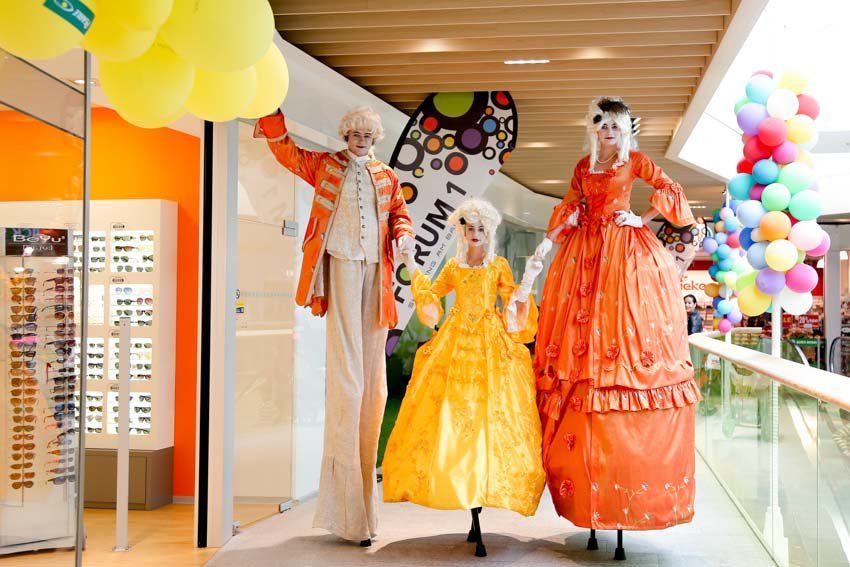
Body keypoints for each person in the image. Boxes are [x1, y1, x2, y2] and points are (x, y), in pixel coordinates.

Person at [530, 97, 701, 548]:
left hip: (622, 252)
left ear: (625, 129)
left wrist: (641, 217)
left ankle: (622, 490)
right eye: (602, 124)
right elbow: (570, 204)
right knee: (579, 340)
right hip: (583, 256)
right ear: (595, 129)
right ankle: (588, 494)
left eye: (616, 125)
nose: (609, 131)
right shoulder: (583, 166)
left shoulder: (636, 161)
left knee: (623, 332)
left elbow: (670, 188)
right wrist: (559, 232)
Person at [254, 107, 416, 546]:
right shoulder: (327, 165)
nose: (361, 139)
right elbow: (289, 155)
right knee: (348, 380)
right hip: (341, 261)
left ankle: (364, 509)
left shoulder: (386, 176)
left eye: (367, 134)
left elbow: (399, 214)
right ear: (346, 134)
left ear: (375, 138)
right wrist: (270, 115)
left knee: (372, 386)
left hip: (376, 270)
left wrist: (403, 236)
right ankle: (346, 510)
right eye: (355, 133)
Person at [382, 199, 546, 557]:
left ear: (489, 232)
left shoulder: (498, 265)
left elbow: (512, 304)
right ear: (463, 231)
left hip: (489, 340)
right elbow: (432, 298)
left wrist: (528, 281)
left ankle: (482, 487)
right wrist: (411, 265)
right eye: (469, 228)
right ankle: (462, 486)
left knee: (488, 415)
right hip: (455, 340)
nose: (474, 234)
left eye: (480, 229)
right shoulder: (454, 266)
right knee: (455, 415)